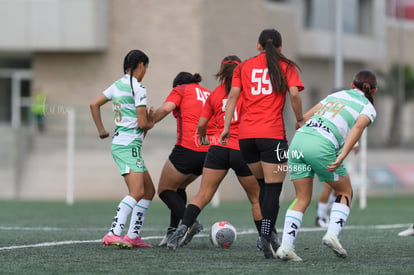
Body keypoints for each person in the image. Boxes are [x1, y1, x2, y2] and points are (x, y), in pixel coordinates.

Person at [219, 29, 305, 259]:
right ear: (280, 47)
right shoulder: (287, 66)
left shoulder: (242, 67)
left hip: (246, 137)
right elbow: (295, 95)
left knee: (263, 188)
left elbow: (233, 97)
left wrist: (227, 127)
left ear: (258, 46)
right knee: (273, 190)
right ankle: (266, 236)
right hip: (272, 136)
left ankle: (267, 235)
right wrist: (299, 119)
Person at [276, 70, 378, 262]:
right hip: (321, 146)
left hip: (299, 141)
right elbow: (357, 129)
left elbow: (305, 117)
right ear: (375, 90)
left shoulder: (337, 95)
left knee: (302, 198)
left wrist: (300, 122)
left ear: (352, 84)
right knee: (345, 192)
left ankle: (285, 247)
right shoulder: (369, 107)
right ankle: (332, 234)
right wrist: (341, 156)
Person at [166, 56, 262, 251]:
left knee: (203, 195)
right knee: (256, 197)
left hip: (217, 148)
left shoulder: (215, 94)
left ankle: (181, 229)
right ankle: (264, 239)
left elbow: (202, 125)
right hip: (241, 149)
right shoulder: (248, 93)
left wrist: (202, 136)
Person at [90, 49, 155, 248]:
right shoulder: (139, 88)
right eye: (146, 68)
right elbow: (143, 124)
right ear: (141, 65)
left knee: (149, 191)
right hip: (128, 146)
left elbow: (94, 104)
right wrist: (151, 122)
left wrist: (102, 129)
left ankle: (133, 235)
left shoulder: (117, 85)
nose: (145, 71)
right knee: (137, 191)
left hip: (123, 144)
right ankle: (114, 232)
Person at [151, 72, 214, 247]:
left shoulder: (181, 89)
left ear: (178, 84)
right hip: (209, 152)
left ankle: (190, 223)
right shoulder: (208, 93)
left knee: (164, 190)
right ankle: (173, 230)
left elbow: (165, 108)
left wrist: (150, 121)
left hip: (188, 148)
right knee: (179, 187)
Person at [316, 145, 359, 228]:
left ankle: (324, 209)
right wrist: (355, 144)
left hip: (331, 152)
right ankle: (321, 216)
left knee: (338, 188)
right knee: (330, 186)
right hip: (328, 151)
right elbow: (349, 132)